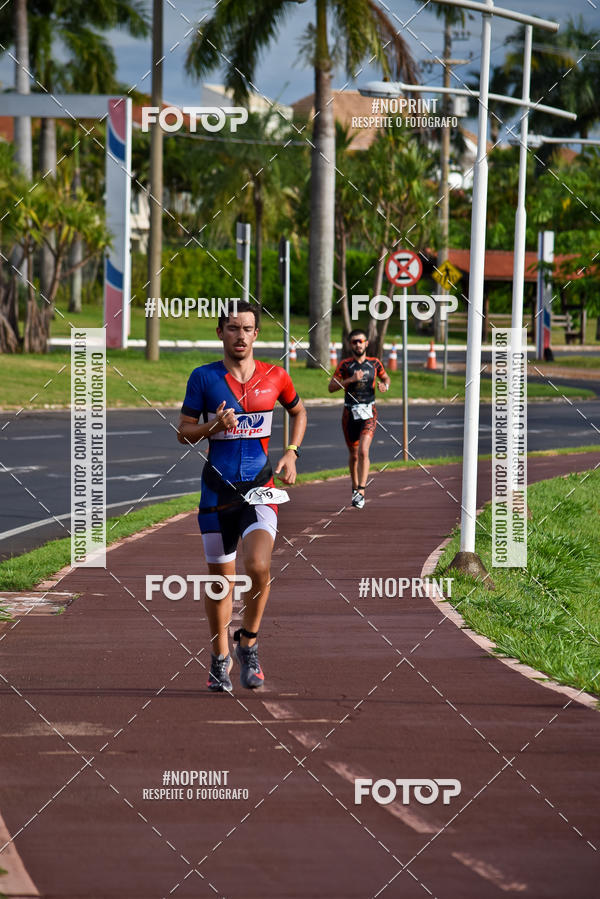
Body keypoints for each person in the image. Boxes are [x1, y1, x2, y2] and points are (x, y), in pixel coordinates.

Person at [177, 301, 307, 692]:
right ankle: (220, 657)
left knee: (258, 565)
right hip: (216, 494)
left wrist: (291, 452)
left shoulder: (276, 376)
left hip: (260, 489)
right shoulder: (203, 378)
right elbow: (183, 431)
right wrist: (213, 423)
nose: (240, 335)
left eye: (248, 328)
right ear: (220, 333)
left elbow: (299, 412)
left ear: (256, 334)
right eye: (232, 328)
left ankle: (248, 641)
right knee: (221, 583)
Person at [328, 329, 390, 509]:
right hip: (350, 414)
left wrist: (384, 385)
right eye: (354, 342)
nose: (357, 344)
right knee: (354, 455)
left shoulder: (374, 363)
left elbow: (385, 377)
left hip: (369, 412)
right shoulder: (345, 365)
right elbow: (331, 387)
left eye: (360, 341)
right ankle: (354, 487)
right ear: (350, 344)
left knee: (364, 451)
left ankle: (361, 490)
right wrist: (350, 380)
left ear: (366, 343)